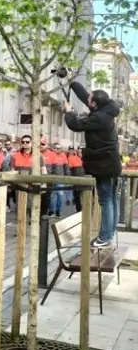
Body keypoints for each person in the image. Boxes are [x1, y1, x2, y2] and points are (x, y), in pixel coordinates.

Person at [64, 82, 122, 247]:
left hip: (103, 164)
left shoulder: (98, 118)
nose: (87, 99)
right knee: (112, 200)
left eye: (90, 99)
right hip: (110, 163)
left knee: (105, 200)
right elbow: (86, 97)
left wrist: (69, 112)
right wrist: (73, 82)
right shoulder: (107, 108)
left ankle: (104, 237)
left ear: (94, 104)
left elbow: (76, 125)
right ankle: (110, 233)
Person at [67, 147, 85, 212]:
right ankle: (79, 210)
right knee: (77, 196)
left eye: (82, 149)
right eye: (79, 149)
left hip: (86, 181)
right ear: (77, 150)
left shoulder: (88, 159)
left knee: (85, 196)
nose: (80, 151)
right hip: (76, 180)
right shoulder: (71, 158)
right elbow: (69, 169)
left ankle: (85, 210)